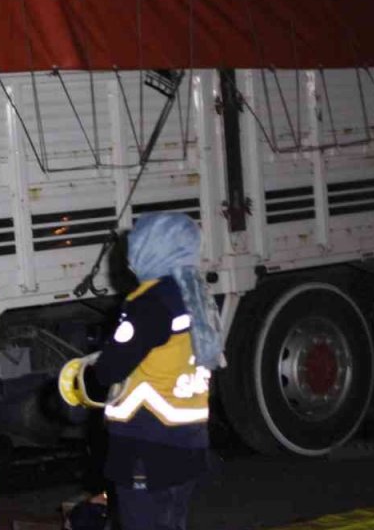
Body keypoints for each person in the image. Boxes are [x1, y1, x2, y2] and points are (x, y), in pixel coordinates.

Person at [58, 213, 216, 530]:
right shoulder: (196, 295)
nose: (129, 255)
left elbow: (110, 370)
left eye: (136, 245)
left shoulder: (150, 302)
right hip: (188, 441)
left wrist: (77, 384)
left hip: (147, 443)